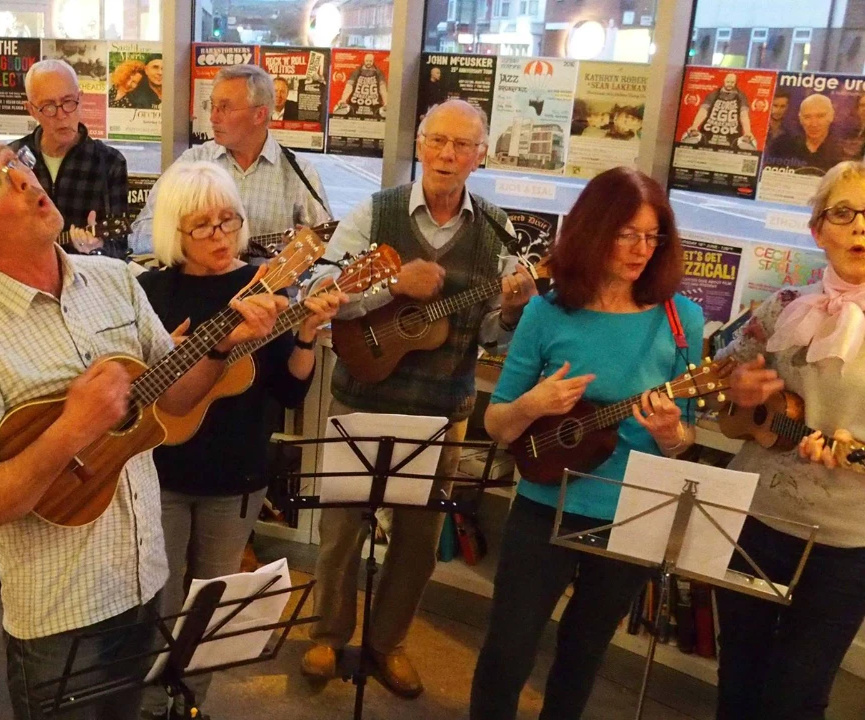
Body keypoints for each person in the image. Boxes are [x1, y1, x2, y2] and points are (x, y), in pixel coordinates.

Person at [0, 136, 284, 720]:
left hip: (144, 584)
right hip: (60, 616)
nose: (22, 180)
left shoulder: (115, 280)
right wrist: (71, 429)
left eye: (17, 164)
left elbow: (173, 396)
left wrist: (218, 349)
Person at [300, 99, 537, 698]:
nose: (447, 155)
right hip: (362, 396)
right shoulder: (375, 213)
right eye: (438, 141)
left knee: (417, 543)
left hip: (443, 411)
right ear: (421, 143)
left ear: (480, 156)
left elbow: (488, 329)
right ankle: (327, 635)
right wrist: (389, 285)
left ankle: (389, 643)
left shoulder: (496, 230)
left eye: (462, 146)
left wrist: (509, 312)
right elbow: (319, 288)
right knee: (340, 532)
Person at [468, 166, 705, 720]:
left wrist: (672, 433)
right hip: (545, 505)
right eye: (626, 234)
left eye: (653, 236)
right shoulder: (547, 312)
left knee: (583, 654)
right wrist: (535, 404)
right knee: (508, 649)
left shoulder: (681, 319)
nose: (641, 249)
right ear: (593, 231)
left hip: (631, 512)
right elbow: (498, 425)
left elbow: (686, 439)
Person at [137, 162, 347, 718]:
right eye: (203, 225)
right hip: (159, 470)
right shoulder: (149, 291)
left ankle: (190, 705)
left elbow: (288, 389)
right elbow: (136, 386)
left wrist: (304, 333)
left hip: (236, 475)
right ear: (173, 232)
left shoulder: (263, 290)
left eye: (229, 220)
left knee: (213, 602)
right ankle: (143, 702)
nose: (221, 235)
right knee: (155, 598)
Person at [712, 160, 865, 720]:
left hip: (846, 544)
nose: (859, 228)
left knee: (796, 698)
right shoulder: (781, 307)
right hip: (756, 517)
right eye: (843, 214)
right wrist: (742, 392)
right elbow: (729, 416)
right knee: (739, 678)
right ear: (817, 230)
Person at [130, 64, 331, 255]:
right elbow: (140, 234)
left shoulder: (299, 173)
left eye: (225, 108)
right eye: (213, 106)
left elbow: (329, 244)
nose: (213, 117)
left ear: (259, 114)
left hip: (269, 288)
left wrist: (307, 250)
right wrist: (197, 244)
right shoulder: (193, 163)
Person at [10, 59, 129, 259]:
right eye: (48, 106)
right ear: (31, 110)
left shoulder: (108, 162)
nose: (61, 115)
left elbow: (119, 247)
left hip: (83, 280)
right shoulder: (12, 158)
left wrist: (98, 247)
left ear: (80, 99)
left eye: (68, 102)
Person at [766, 93, 843, 174]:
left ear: (831, 116)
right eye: (807, 117)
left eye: (820, 116)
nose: (814, 124)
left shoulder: (843, 151)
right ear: (800, 119)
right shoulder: (780, 146)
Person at [680, 72, 758, 151]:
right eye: (728, 82)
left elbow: (744, 114)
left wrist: (747, 131)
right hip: (709, 131)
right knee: (693, 138)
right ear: (724, 81)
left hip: (733, 134)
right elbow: (703, 110)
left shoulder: (741, 96)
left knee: (746, 144)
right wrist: (695, 126)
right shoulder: (714, 94)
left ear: (735, 82)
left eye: (732, 82)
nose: (729, 84)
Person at [332, 53, 387, 118]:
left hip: (374, 105)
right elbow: (349, 86)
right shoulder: (357, 71)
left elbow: (382, 88)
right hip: (355, 104)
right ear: (364, 61)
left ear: (373, 61)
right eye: (367, 61)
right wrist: (343, 99)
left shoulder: (378, 72)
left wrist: (386, 102)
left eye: (370, 61)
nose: (368, 63)